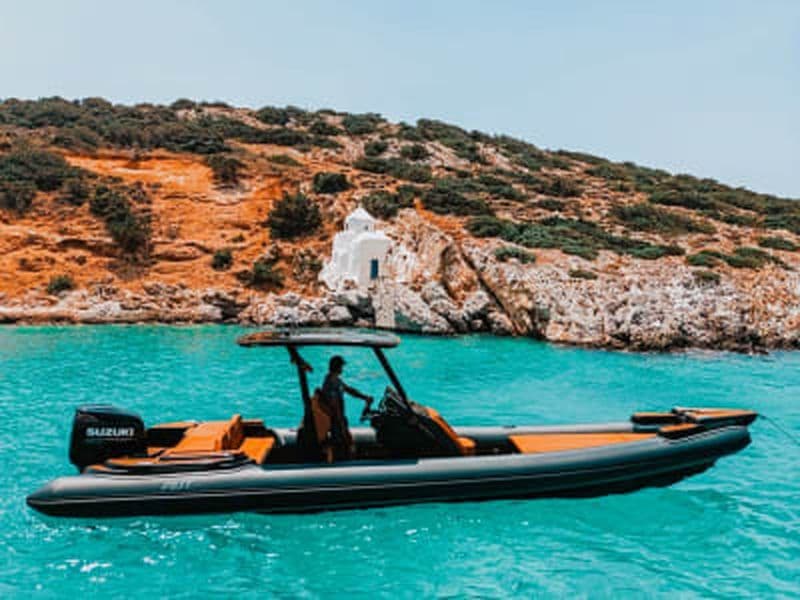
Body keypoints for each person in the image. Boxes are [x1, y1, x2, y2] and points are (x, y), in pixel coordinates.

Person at [320, 355, 373, 460]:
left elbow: (349, 390)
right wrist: (341, 424)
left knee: (346, 441)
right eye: (341, 366)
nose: (342, 369)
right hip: (335, 420)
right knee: (343, 443)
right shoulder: (330, 382)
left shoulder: (336, 380)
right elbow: (334, 404)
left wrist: (364, 397)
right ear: (337, 367)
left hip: (339, 419)